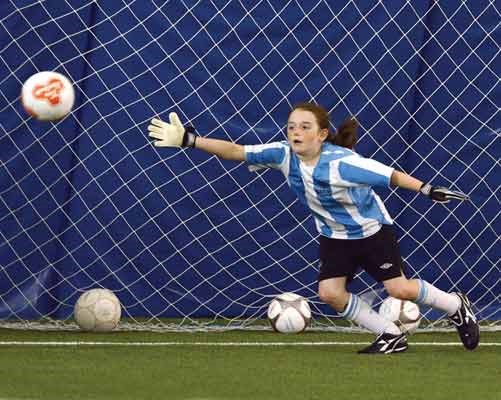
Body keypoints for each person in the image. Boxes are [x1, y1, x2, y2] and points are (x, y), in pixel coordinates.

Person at [147, 102, 480, 354]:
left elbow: (390, 175)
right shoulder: (281, 155)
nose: (295, 132)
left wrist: (426, 189)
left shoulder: (343, 163)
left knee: (400, 290)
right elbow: (235, 151)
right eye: (292, 126)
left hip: (371, 232)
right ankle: (391, 335)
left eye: (305, 127)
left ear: (322, 134)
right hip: (334, 236)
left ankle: (455, 305)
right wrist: (190, 139)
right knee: (330, 294)